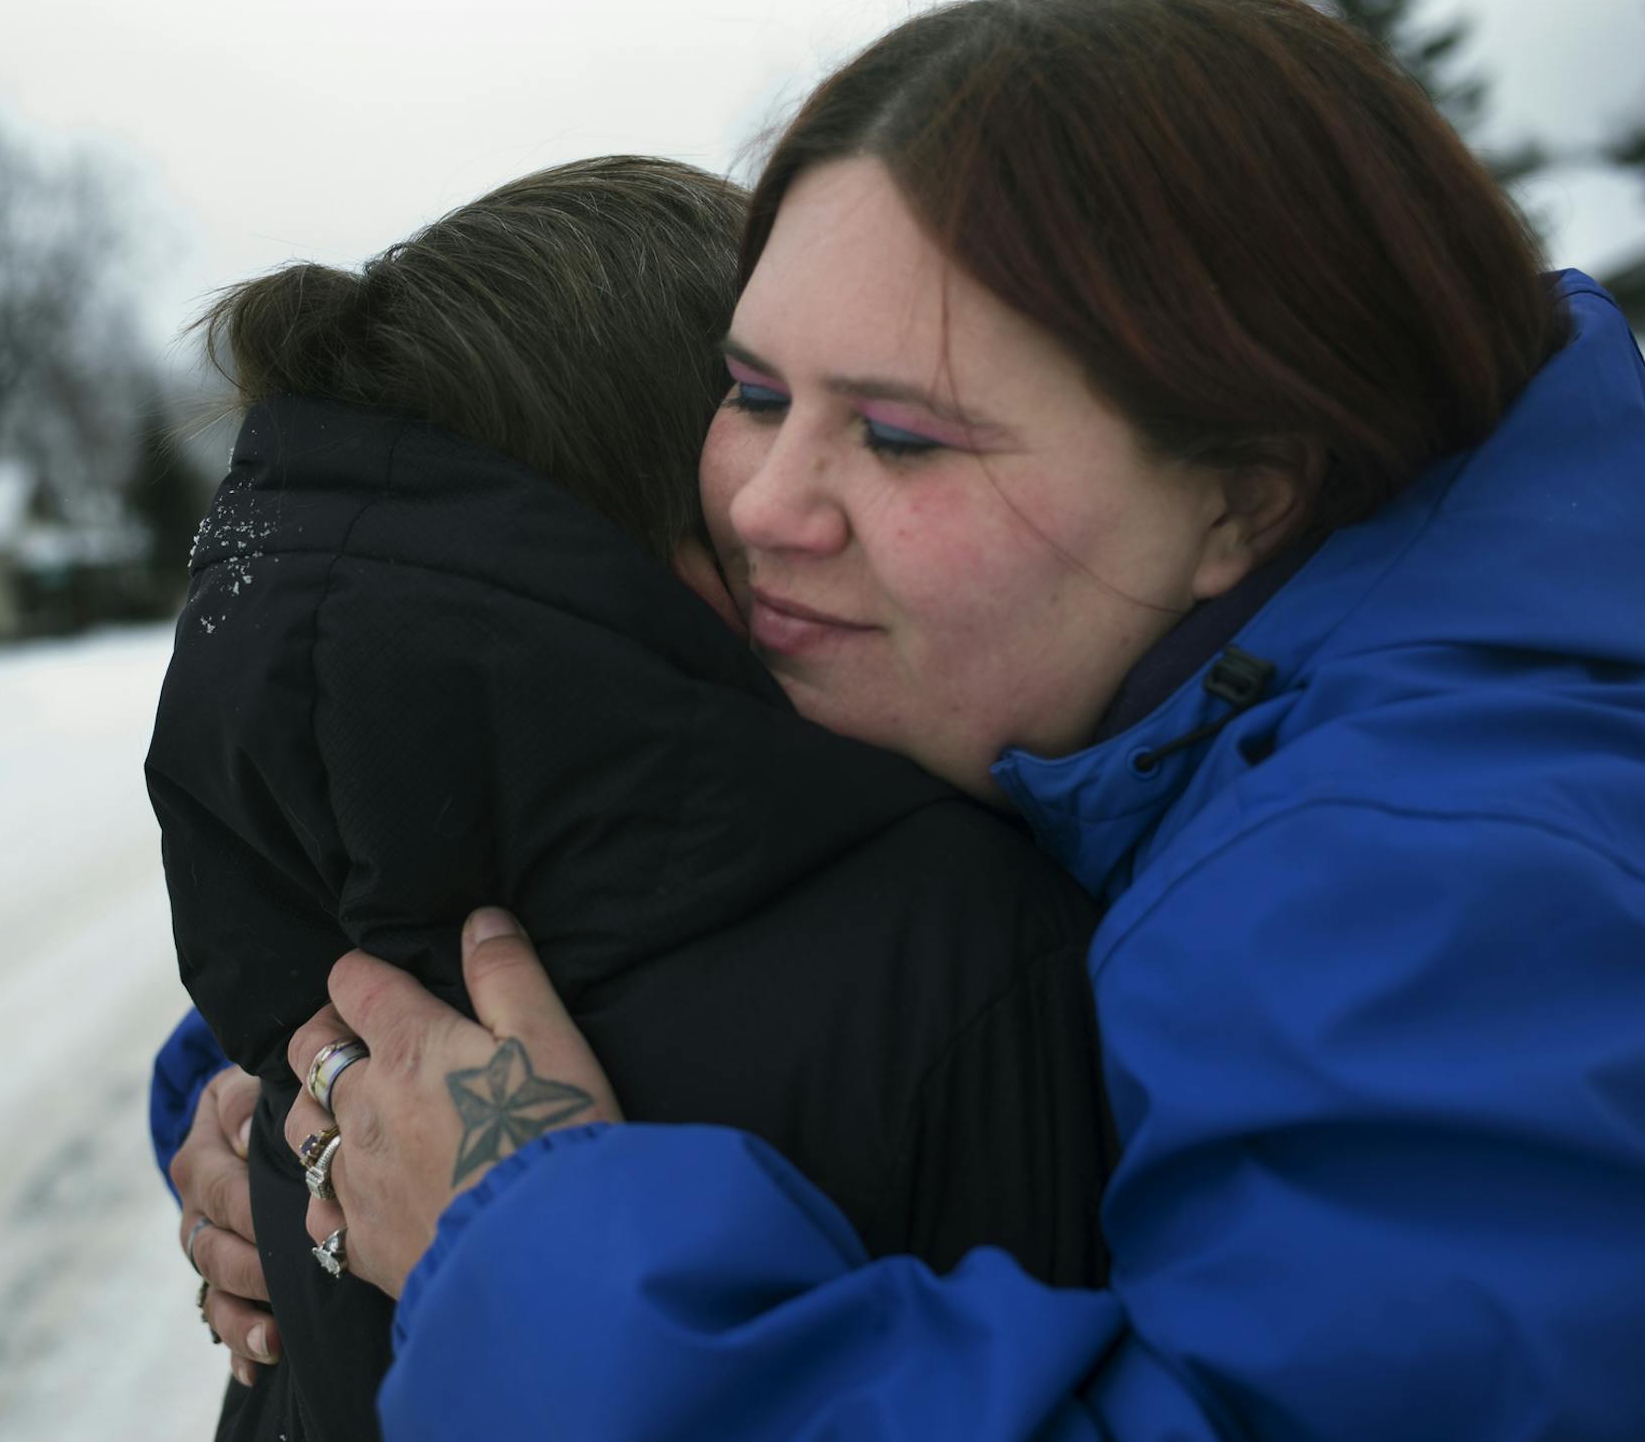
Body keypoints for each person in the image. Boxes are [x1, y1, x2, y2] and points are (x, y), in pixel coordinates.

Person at [275, 0, 1645, 1438]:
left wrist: (524, 1259)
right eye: (753, 392)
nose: (766, 505)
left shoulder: (1446, 891)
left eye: (901, 436)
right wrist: (312, 1102)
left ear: (1245, 495)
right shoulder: (1130, 695)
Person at [146, 155, 1118, 1442]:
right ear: (659, 534)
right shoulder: (968, 946)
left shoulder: (329, 970)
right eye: (762, 410)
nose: (818, 505)